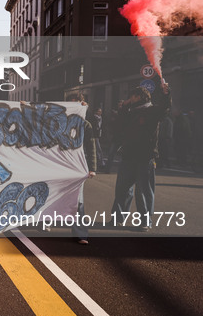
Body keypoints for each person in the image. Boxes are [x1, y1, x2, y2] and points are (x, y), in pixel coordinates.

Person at [110, 81, 171, 231]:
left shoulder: (153, 110)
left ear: (139, 96)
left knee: (143, 190)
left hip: (145, 157)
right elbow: (119, 126)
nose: (130, 99)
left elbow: (165, 108)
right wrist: (123, 107)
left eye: (133, 96)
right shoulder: (130, 111)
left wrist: (166, 93)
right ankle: (118, 218)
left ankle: (145, 221)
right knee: (122, 189)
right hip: (128, 155)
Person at [67, 94, 97, 245]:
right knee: (49, 194)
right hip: (60, 165)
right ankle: (43, 222)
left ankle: (80, 234)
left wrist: (92, 168)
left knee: (78, 201)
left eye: (76, 105)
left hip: (77, 167)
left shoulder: (86, 125)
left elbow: (91, 147)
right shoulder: (56, 122)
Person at [104, 100, 124, 173]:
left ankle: (123, 171)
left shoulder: (126, 113)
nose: (120, 106)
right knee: (111, 153)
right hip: (116, 137)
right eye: (119, 105)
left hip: (124, 137)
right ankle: (107, 169)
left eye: (121, 105)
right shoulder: (115, 114)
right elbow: (110, 124)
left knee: (124, 155)